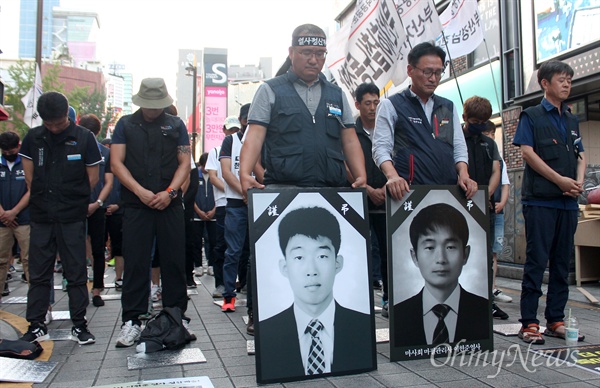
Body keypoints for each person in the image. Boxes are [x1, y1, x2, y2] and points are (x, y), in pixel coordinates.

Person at [111, 78, 191, 348]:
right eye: (149, 105)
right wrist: (139, 191)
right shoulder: (125, 124)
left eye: (158, 105)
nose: (154, 110)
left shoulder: (176, 124)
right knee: (135, 261)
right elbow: (116, 163)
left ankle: (177, 316)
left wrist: (170, 192)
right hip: (136, 204)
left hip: (169, 202)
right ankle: (131, 320)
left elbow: (185, 163)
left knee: (174, 261)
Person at [239, 23, 366, 193]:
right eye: (306, 53)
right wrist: (244, 173)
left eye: (320, 54)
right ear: (291, 53)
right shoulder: (270, 90)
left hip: (331, 191)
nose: (314, 60)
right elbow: (254, 136)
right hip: (283, 190)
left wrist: (361, 176)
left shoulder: (337, 94)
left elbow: (349, 140)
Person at [18, 91, 101, 345]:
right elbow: (30, 177)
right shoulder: (33, 137)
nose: (54, 127)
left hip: (72, 216)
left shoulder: (84, 138)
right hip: (42, 215)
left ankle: (79, 325)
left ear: (68, 115)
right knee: (39, 272)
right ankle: (36, 324)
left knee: (75, 271)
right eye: (49, 123)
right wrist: (44, 198)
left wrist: (72, 199)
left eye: (59, 122)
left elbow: (93, 177)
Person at [513, 60, 586, 345]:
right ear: (545, 83)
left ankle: (555, 318)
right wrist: (560, 181)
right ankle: (529, 322)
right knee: (536, 261)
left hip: (568, 202)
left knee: (560, 263)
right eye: (561, 79)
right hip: (542, 201)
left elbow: (581, 155)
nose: (567, 84)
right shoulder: (531, 115)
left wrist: (577, 182)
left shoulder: (571, 118)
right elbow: (528, 154)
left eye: (569, 79)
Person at [259, 206, 372, 379]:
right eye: (299, 257)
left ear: (337, 263)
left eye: (322, 256)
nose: (311, 270)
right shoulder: (267, 332)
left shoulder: (364, 327)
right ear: (284, 267)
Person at [372, 41, 477, 201]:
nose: (433, 78)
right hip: (408, 193)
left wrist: (464, 174)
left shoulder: (448, 106)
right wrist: (392, 176)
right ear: (410, 70)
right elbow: (380, 147)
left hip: (448, 193)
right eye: (427, 72)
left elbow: (459, 147)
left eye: (438, 72)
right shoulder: (391, 105)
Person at [393, 203, 489, 347]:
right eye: (430, 247)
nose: (441, 259)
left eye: (450, 247)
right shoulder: (399, 315)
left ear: (465, 254)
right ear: (415, 256)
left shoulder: (483, 311)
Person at [460, 96, 507, 320]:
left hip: (484, 206)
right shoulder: (455, 139)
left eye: (484, 121)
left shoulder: (489, 143)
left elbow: (496, 170)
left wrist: (488, 192)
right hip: (459, 203)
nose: (480, 124)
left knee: (485, 256)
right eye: (475, 120)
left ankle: (486, 301)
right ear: (465, 117)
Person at [353, 82, 389, 316]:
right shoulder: (349, 131)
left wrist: (387, 188)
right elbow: (346, 162)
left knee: (388, 251)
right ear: (357, 105)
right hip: (358, 198)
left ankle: (388, 299)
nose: (373, 108)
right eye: (368, 103)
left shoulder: (388, 128)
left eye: (376, 102)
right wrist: (366, 188)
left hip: (387, 198)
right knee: (358, 251)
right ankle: (358, 300)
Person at [79, 114, 113, 307]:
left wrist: (98, 202)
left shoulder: (105, 153)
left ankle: (97, 289)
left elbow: (109, 182)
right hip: (76, 207)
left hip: (98, 207)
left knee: (99, 249)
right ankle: (78, 287)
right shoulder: (73, 149)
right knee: (75, 250)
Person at [205, 120, 237, 299]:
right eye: (229, 129)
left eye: (235, 130)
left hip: (242, 201)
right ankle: (220, 283)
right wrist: (231, 189)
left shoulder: (247, 148)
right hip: (224, 203)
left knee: (242, 246)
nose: (232, 132)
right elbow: (213, 176)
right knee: (222, 245)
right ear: (223, 130)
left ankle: (240, 283)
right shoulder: (216, 151)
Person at [481, 121, 513, 304]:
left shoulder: (499, 160)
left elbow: (505, 183)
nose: (489, 137)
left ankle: (493, 288)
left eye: (491, 133)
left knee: (494, 251)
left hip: (497, 212)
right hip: (480, 209)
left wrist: (502, 202)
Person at [0, 131, 30, 302]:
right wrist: (3, 213)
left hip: (23, 219)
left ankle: (38, 305)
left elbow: (32, 189)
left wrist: (14, 211)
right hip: (2, 222)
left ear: (18, 146)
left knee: (29, 261)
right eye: (5, 152)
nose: (9, 155)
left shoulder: (26, 163)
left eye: (11, 151)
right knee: (1, 260)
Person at [101, 138, 124, 291]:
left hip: (120, 212)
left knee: (120, 247)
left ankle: (119, 277)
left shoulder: (124, 167)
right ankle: (96, 279)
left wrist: (118, 205)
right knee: (97, 246)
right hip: (100, 210)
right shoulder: (99, 165)